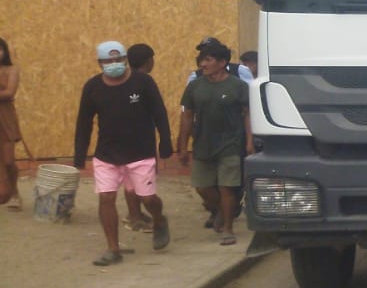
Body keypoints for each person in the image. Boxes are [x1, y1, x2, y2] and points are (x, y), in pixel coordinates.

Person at [72, 41, 173, 266]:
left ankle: (158, 220)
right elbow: (84, 122)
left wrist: (166, 142)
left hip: (140, 153)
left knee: (148, 199)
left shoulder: (143, 82)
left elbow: (159, 113)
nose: (114, 64)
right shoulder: (92, 88)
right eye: (108, 61)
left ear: (126, 60)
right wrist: (79, 155)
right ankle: (113, 248)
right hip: (107, 154)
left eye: (118, 60)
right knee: (106, 198)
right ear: (100, 63)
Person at [178, 38, 252, 247]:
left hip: (231, 144)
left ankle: (227, 228)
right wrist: (182, 146)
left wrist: (249, 141)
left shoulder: (237, 86)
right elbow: (186, 116)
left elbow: (247, 114)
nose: (203, 65)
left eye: (208, 60)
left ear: (221, 62)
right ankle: (221, 210)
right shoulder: (195, 87)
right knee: (202, 187)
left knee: (227, 188)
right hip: (203, 144)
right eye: (201, 61)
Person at [120, 43, 159, 232]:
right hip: (141, 140)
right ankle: (137, 216)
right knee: (142, 181)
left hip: (122, 139)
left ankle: (134, 214)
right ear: (149, 61)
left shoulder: (122, 79)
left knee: (129, 178)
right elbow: (158, 111)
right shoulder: (145, 81)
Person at [0, 37, 21, 210]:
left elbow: (9, 92)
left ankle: (14, 192)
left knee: (8, 161)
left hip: (5, 118)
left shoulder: (12, 70)